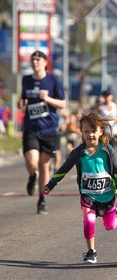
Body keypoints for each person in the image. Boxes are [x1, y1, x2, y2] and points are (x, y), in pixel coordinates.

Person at [44, 112, 117, 263]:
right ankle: (91, 252)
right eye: (86, 131)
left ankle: (113, 212)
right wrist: (51, 185)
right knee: (89, 220)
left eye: (93, 131)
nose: (90, 135)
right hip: (88, 195)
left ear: (100, 131)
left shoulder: (107, 150)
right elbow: (64, 168)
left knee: (111, 226)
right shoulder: (78, 152)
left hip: (107, 195)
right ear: (81, 132)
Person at [18, 50, 66, 214]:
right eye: (33, 60)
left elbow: (62, 104)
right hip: (31, 128)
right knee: (32, 159)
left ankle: (42, 199)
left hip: (49, 129)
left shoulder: (53, 80)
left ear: (45, 62)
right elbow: (24, 98)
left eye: (38, 60)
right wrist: (21, 103)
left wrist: (47, 99)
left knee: (44, 166)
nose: (35, 62)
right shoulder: (26, 80)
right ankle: (32, 176)